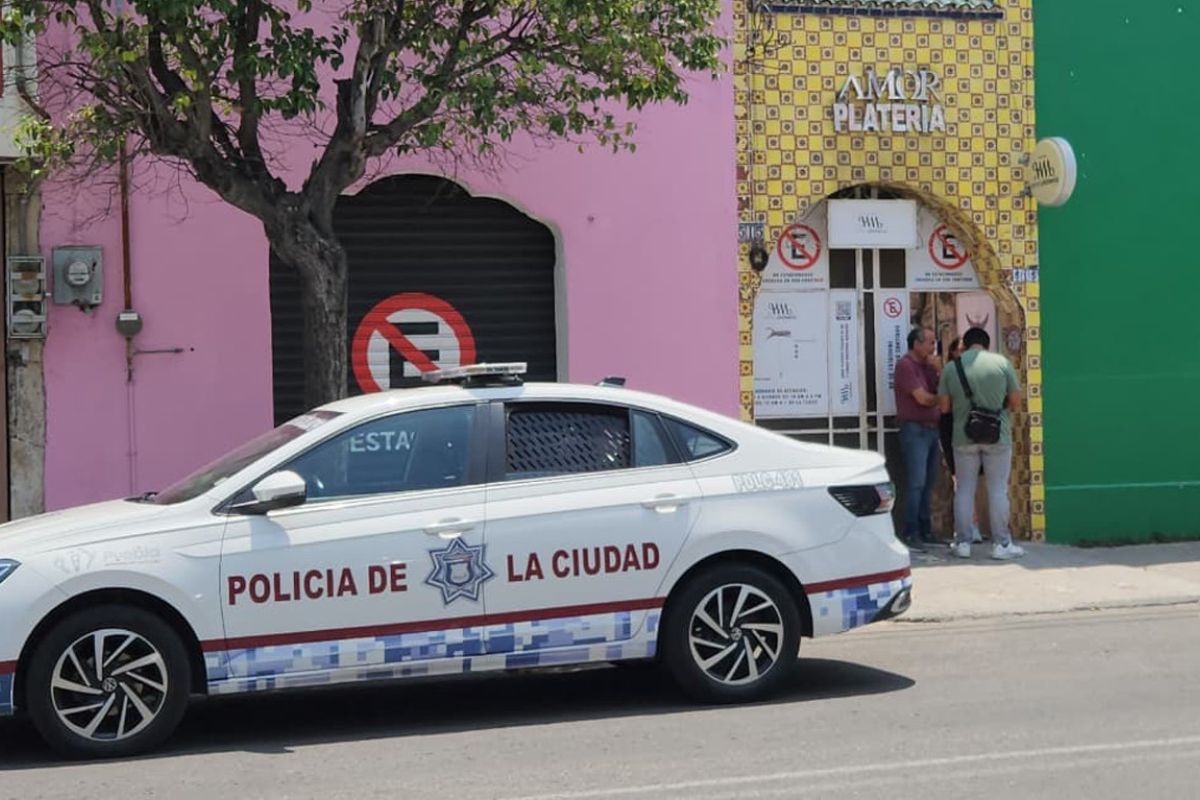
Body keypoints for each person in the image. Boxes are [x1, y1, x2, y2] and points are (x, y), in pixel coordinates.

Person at [937, 326, 1024, 560]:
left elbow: (944, 408)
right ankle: (1001, 544)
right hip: (998, 434)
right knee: (997, 489)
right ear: (987, 343)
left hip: (963, 436)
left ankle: (963, 543)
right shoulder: (1001, 363)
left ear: (965, 344)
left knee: (964, 489)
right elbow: (1015, 400)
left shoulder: (950, 368)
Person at [894, 327, 943, 551]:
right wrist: (941, 400)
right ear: (916, 344)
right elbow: (922, 398)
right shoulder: (906, 366)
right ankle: (910, 531)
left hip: (932, 430)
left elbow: (940, 390)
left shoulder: (928, 368)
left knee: (928, 482)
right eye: (930, 343)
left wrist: (939, 371)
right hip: (915, 431)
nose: (933, 347)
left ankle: (926, 529)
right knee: (916, 483)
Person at [939, 337, 983, 545]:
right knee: (963, 482)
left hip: (968, 430)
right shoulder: (951, 370)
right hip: (956, 431)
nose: (963, 352)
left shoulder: (970, 370)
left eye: (965, 348)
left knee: (971, 484)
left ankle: (972, 528)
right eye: (960, 349)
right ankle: (968, 528)